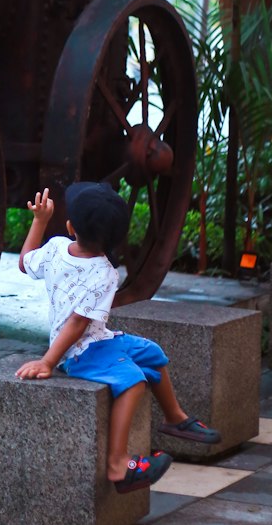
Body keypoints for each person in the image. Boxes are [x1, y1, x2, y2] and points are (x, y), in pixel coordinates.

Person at [15, 181, 219, 492]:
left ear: (70, 227)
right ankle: (117, 464)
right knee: (133, 381)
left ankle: (175, 418)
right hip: (77, 353)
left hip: (96, 340)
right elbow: (76, 324)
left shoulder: (56, 247)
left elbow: (24, 260)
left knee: (152, 353)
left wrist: (39, 221)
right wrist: (49, 362)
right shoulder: (105, 272)